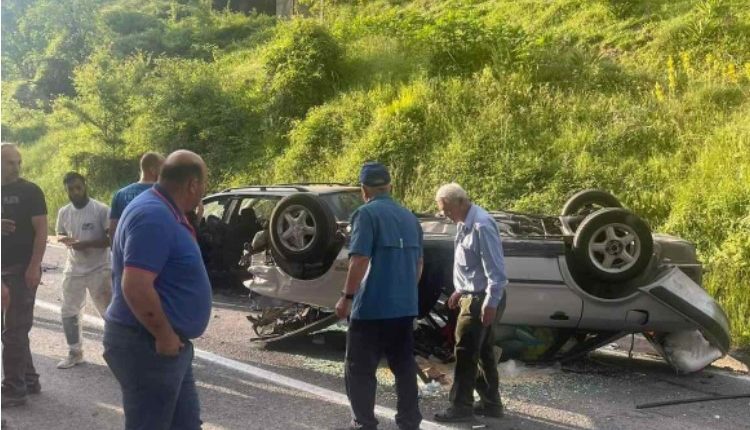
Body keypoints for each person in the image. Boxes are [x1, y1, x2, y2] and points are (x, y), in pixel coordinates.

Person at [103, 150, 211, 430]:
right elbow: (136, 286)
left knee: (185, 424)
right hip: (149, 345)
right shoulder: (153, 216)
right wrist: (164, 335)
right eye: (205, 183)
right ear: (192, 185)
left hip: (166, 345)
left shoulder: (162, 209)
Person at [334, 162, 423, 430]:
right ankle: (409, 423)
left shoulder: (366, 215)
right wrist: (405, 292)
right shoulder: (410, 217)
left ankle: (364, 423)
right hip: (404, 308)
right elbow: (419, 264)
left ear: (364, 190)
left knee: (360, 370)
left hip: (371, 309)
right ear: (390, 186)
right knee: (405, 368)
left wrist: (346, 297)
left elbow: (359, 259)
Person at [433, 183, 508, 423]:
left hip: (482, 299)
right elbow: (472, 266)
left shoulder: (481, 225)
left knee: (465, 353)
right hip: (473, 294)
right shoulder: (464, 224)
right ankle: (491, 404)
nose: (444, 215)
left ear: (460, 202)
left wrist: (490, 302)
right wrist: (460, 289)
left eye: (446, 210)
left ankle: (460, 407)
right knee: (484, 352)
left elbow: (496, 270)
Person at [1, 143, 48, 408]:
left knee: (15, 331)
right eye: (9, 162)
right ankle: (29, 379)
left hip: (21, 270)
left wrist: (35, 266)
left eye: (18, 161)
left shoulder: (30, 191)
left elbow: (42, 230)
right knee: (12, 332)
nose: (16, 166)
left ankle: (14, 389)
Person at [55, 172, 112, 369]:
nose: (75, 192)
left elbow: (110, 239)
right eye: (70, 189)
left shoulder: (101, 209)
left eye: (78, 187)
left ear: (85, 186)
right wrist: (65, 239)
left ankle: (116, 352)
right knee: (68, 310)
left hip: (100, 268)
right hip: (74, 268)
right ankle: (75, 352)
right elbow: (60, 233)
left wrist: (86, 244)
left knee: (109, 312)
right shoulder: (64, 212)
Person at [109, 151, 164, 238]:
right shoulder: (164, 193)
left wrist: (115, 251)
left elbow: (113, 230)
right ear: (153, 170)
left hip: (127, 247)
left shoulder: (120, 194)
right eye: (163, 169)